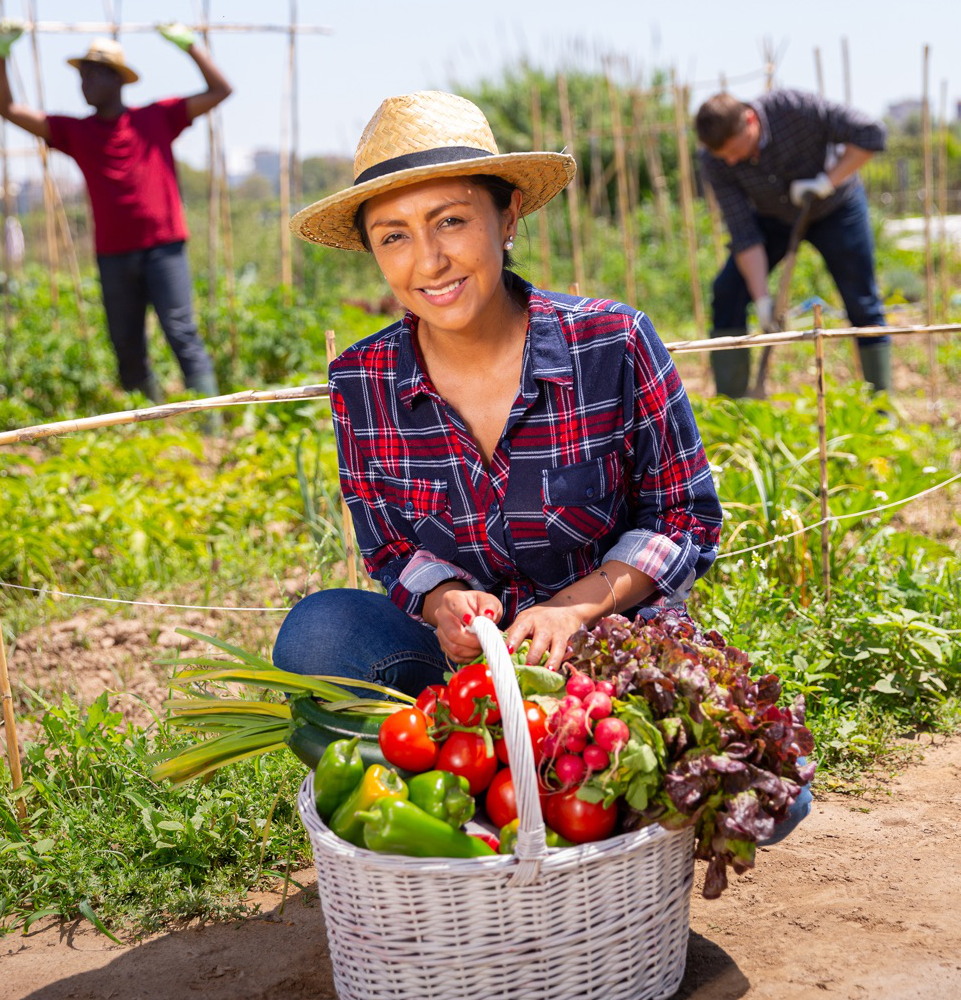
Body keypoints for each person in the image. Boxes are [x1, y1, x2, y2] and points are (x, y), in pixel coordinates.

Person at [273, 89, 723, 691]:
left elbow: (681, 517)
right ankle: (434, 761)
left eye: (450, 221)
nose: (429, 261)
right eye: (394, 236)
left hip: (612, 643)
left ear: (508, 217)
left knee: (766, 785)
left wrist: (573, 610)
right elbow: (391, 548)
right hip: (461, 665)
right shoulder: (362, 380)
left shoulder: (610, 342)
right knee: (319, 631)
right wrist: (445, 602)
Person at [0, 22, 231, 405]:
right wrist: (1, 53)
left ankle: (210, 424)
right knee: (126, 344)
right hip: (114, 254)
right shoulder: (74, 132)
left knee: (181, 332)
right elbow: (5, 108)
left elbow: (221, 90)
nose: (84, 84)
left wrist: (191, 47)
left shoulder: (156, 118)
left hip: (163, 248)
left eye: (94, 75)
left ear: (119, 80)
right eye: (82, 76)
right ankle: (147, 422)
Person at [696, 89, 891, 399]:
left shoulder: (794, 110)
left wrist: (827, 181)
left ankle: (882, 407)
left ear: (750, 120)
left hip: (834, 206)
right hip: (774, 218)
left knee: (862, 300)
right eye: (724, 156)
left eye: (735, 149)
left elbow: (871, 133)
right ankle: (732, 406)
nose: (731, 160)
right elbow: (743, 231)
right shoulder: (715, 161)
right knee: (728, 291)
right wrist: (762, 299)